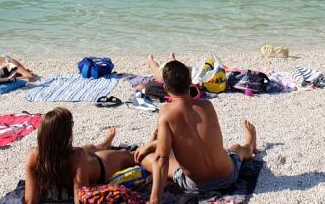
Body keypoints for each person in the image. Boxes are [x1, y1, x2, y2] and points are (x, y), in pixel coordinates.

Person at [136, 60, 257, 204]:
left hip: (196, 184)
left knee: (144, 157)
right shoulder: (207, 106)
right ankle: (250, 144)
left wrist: (154, 199)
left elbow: (162, 159)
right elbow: (198, 139)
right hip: (228, 176)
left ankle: (151, 145)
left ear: (166, 89)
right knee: (236, 148)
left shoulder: (166, 113)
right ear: (191, 82)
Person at [23, 108, 136, 202]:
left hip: (97, 165)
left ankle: (104, 144)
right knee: (125, 155)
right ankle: (104, 145)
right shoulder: (76, 156)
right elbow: (80, 198)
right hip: (96, 161)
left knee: (130, 155)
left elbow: (81, 195)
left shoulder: (34, 155)